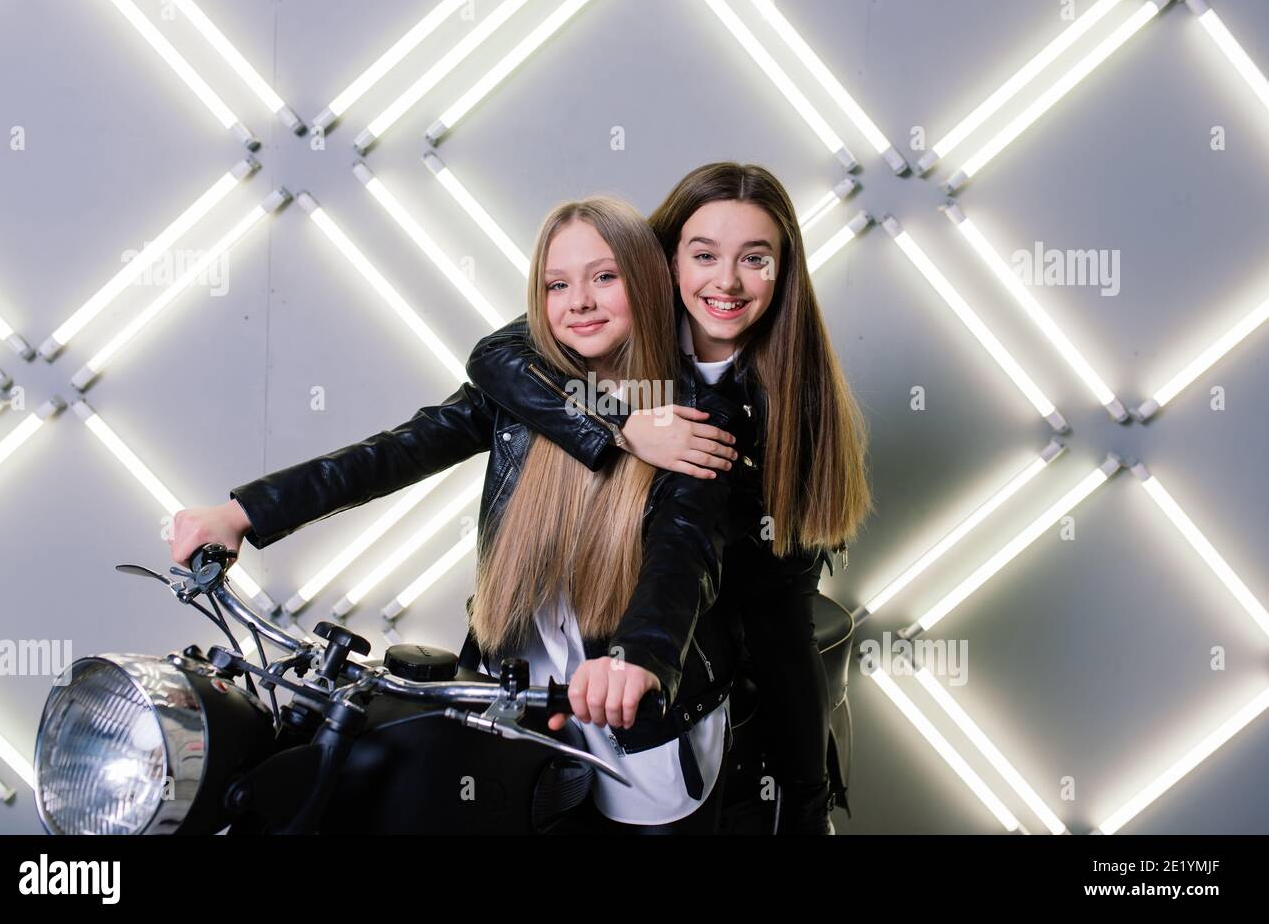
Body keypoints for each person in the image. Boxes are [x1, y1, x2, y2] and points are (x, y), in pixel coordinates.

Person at [168, 195, 751, 832]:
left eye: (604, 276)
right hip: (513, 693)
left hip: (634, 717)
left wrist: (639, 658)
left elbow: (684, 552)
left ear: (646, 278)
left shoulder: (694, 416)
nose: (579, 301)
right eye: (558, 284)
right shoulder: (522, 394)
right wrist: (242, 513)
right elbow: (394, 452)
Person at [463, 162, 872, 833]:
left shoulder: (782, 405)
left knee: (780, 641)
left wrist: (806, 799)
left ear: (783, 272)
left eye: (756, 259)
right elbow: (496, 357)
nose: (727, 281)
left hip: (726, 603)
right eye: (705, 254)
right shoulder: (619, 328)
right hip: (612, 615)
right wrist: (622, 420)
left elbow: (726, 577)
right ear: (664, 260)